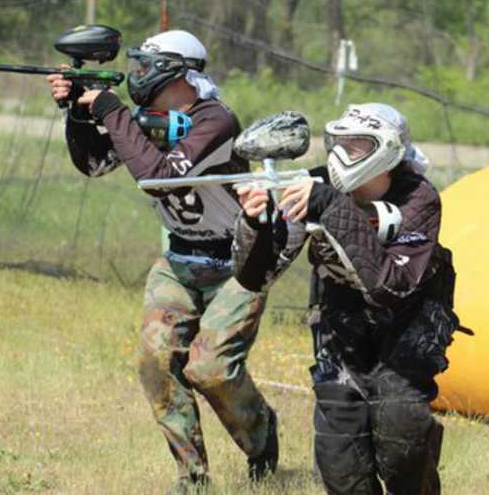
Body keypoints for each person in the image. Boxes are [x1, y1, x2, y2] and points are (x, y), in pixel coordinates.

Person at [46, 29, 278, 494]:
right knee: (155, 361)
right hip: (179, 259)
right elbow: (94, 165)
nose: (137, 76)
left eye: (145, 66)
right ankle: (192, 479)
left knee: (211, 370)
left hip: (239, 263)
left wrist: (110, 111)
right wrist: (77, 113)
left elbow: (159, 178)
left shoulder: (216, 121)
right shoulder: (146, 119)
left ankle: (261, 439)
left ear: (177, 71)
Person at [232, 103, 466, 495]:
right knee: (340, 459)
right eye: (338, 144)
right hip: (341, 323)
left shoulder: (419, 199)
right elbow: (258, 276)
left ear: (388, 152)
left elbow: (389, 286)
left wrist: (333, 207)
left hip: (409, 324)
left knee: (400, 428)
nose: (342, 155)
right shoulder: (316, 188)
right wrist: (256, 224)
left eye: (356, 146)